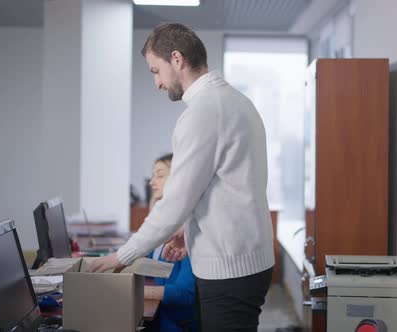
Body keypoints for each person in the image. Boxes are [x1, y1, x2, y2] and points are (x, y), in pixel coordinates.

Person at [88, 23, 274, 332]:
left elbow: (175, 200)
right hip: (243, 260)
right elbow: (223, 186)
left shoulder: (204, 111)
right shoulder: (234, 101)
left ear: (177, 59)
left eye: (155, 71)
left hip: (230, 270)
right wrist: (190, 231)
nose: (157, 83)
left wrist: (124, 256)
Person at [145, 153, 197, 332]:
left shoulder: (188, 230)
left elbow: (184, 294)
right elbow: (146, 257)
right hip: (163, 316)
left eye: (159, 176)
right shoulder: (167, 223)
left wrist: (134, 292)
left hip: (178, 324)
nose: (152, 182)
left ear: (178, 178)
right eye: (152, 176)